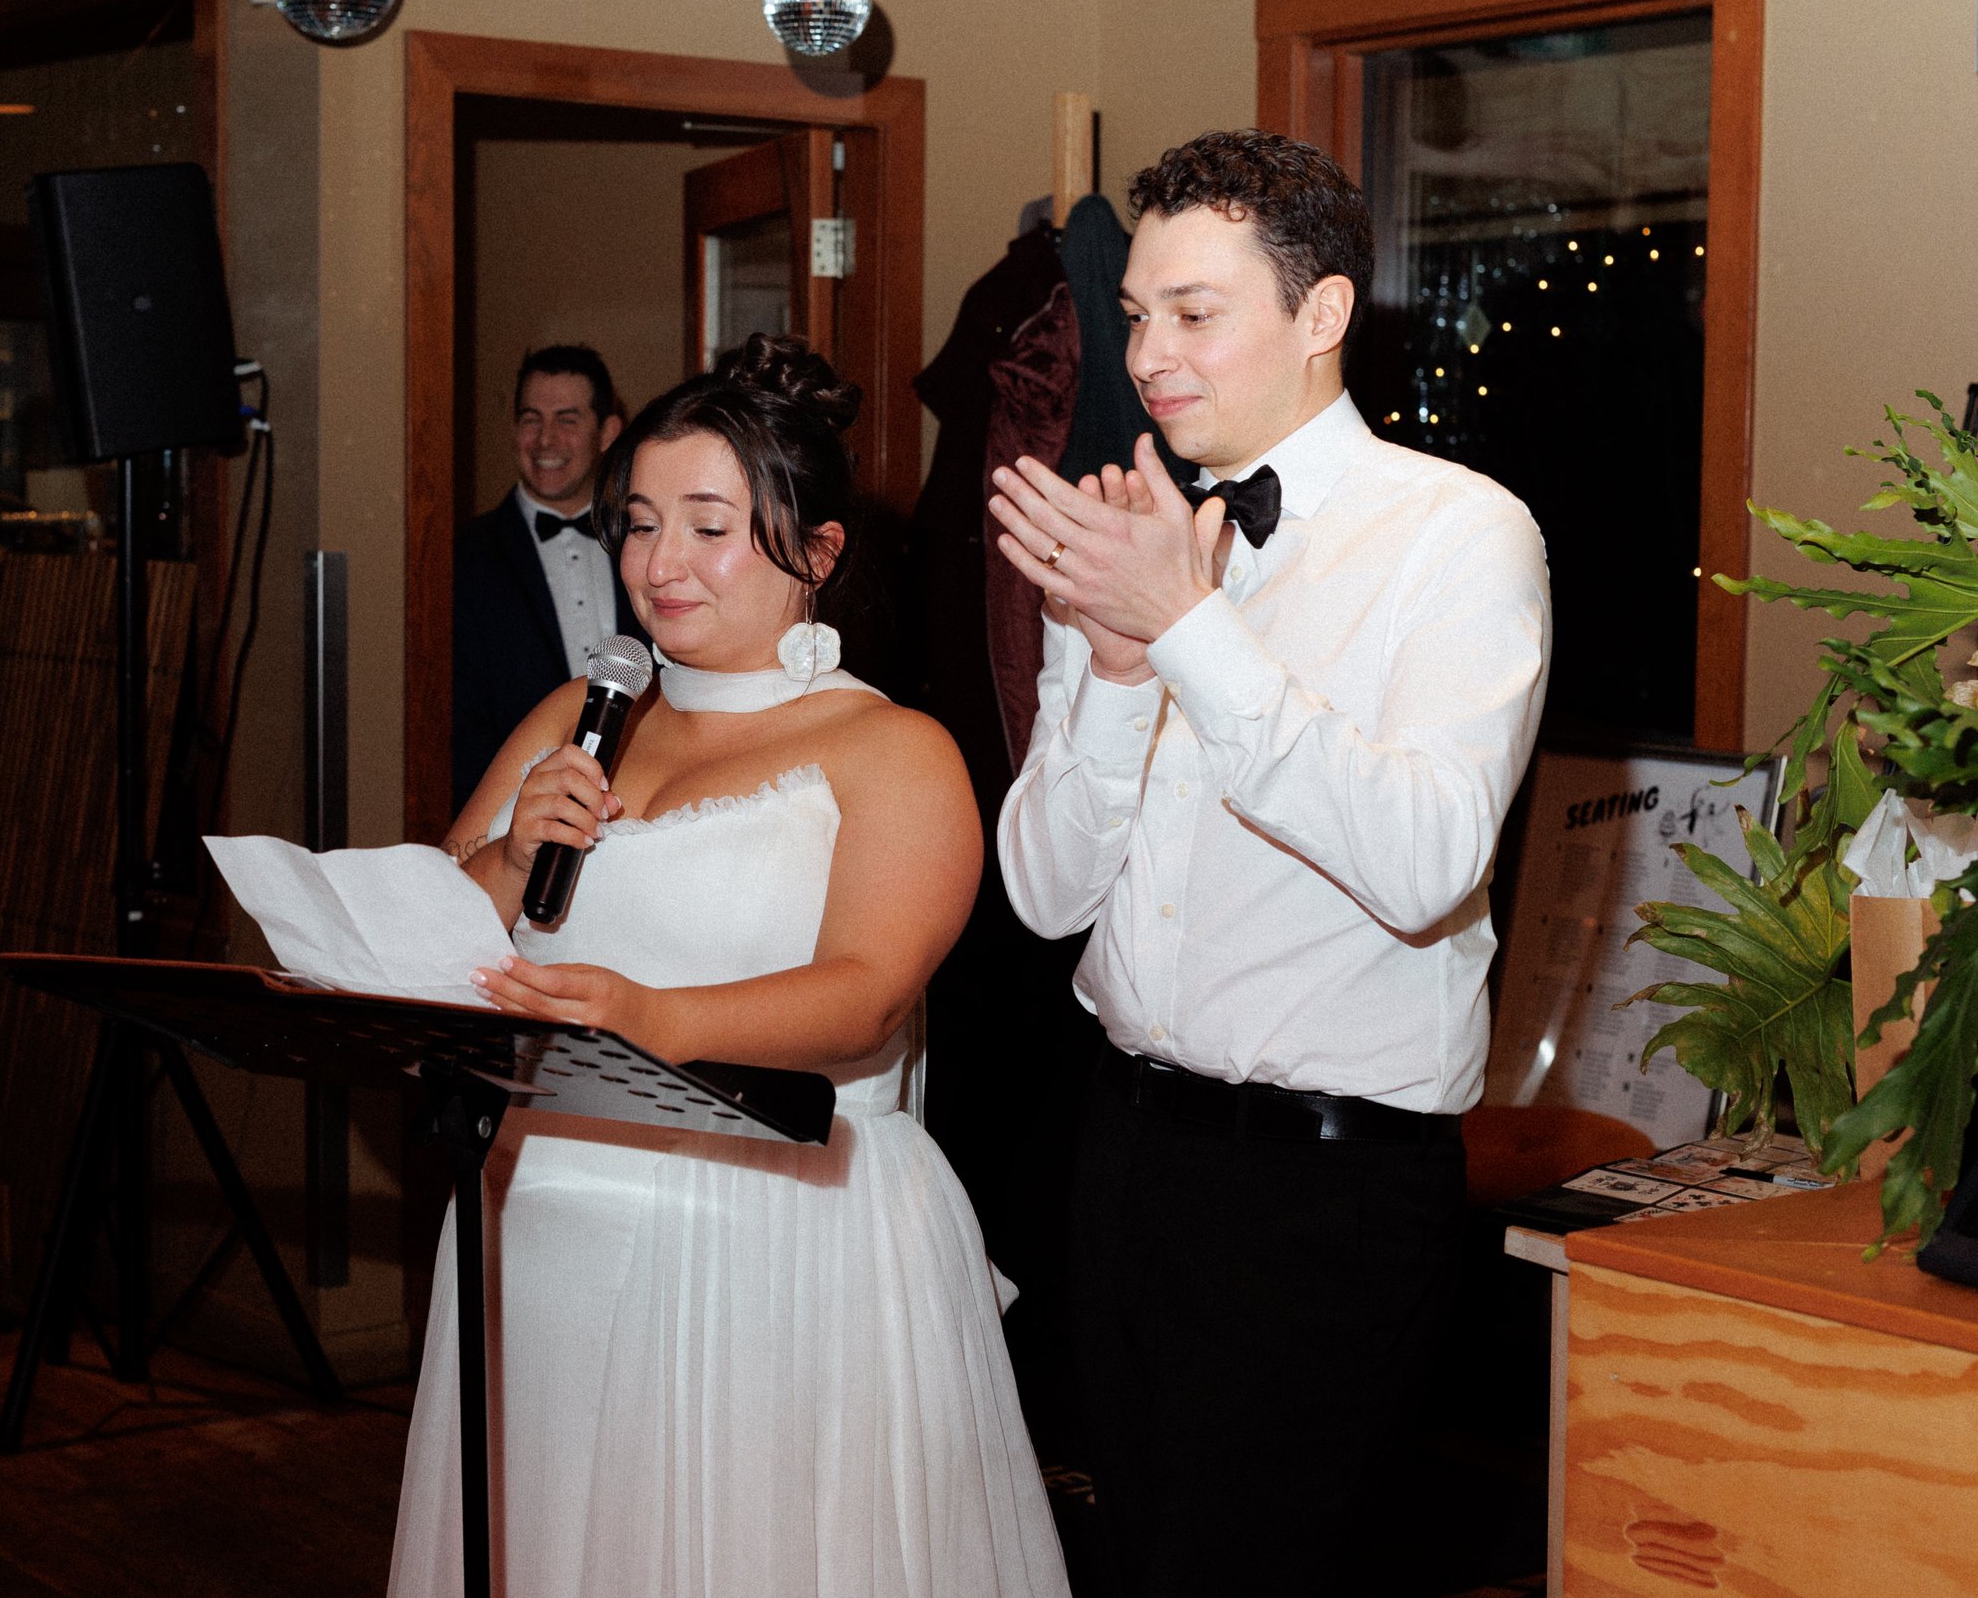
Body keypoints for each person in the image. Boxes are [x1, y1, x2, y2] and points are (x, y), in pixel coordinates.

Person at [390, 335, 1072, 1598]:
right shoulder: (571, 713)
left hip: (772, 1222)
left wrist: (650, 1014)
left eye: (709, 525)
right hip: (542, 1210)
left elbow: (866, 988)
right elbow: (433, 921)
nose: (659, 563)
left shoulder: (893, 747)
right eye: (640, 523)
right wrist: (503, 857)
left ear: (817, 553)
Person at [986, 130, 1552, 1595]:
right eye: (1136, 315)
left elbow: (1425, 858)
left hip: (1326, 1193)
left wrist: (1187, 630)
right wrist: (1112, 667)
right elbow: (1046, 894)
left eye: (1195, 311)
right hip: (1119, 1155)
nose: (1152, 354)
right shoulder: (1133, 534)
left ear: (1321, 314)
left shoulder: (1459, 536)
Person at [451, 345, 649, 808]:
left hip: (639, 809)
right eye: (530, 419)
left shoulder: (647, 547)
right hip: (509, 816)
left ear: (607, 433)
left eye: (567, 419)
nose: (545, 441)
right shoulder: (463, 558)